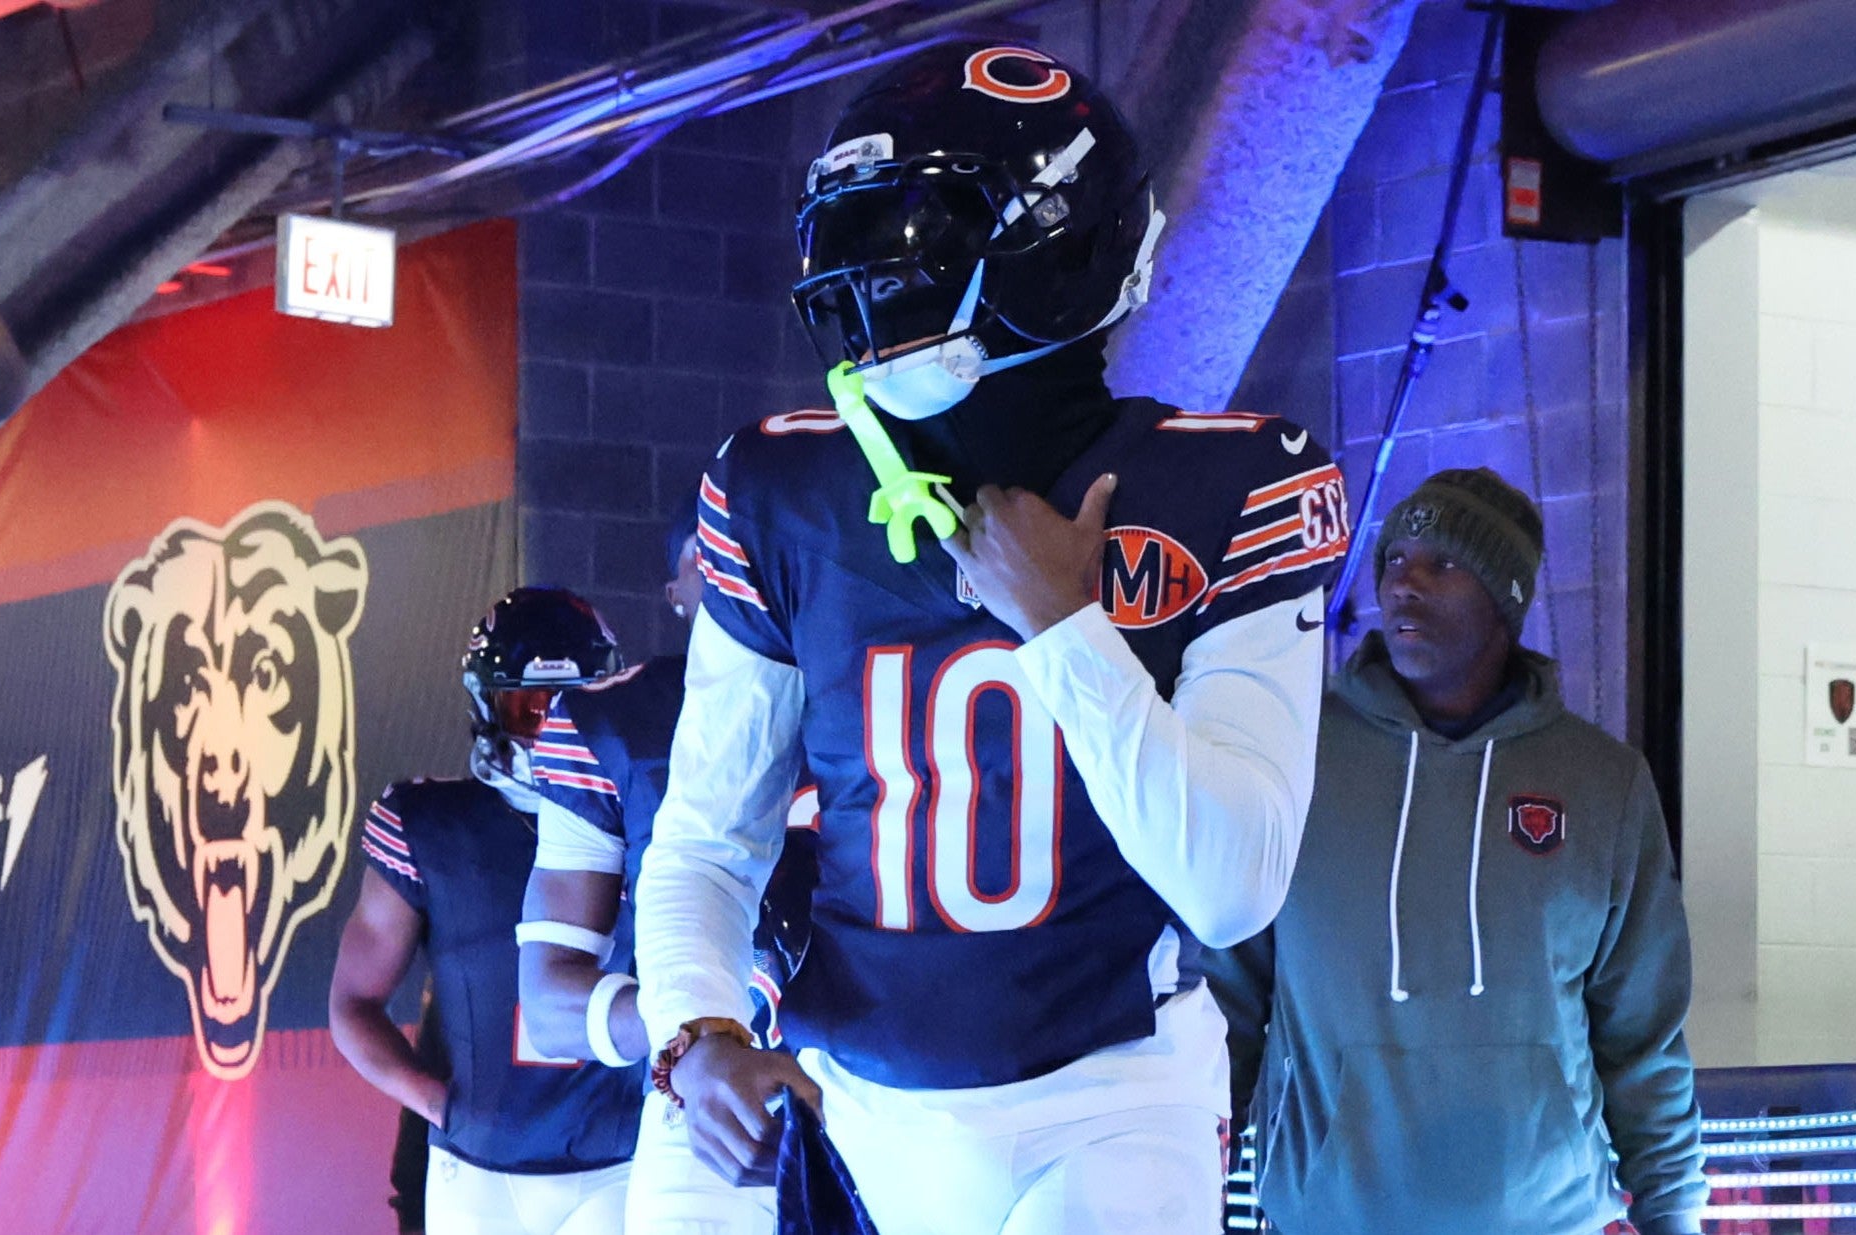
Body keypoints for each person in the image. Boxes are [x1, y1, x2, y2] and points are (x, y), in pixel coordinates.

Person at [630, 42, 1349, 1235]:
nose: (870, 286)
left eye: (913, 242)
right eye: (857, 243)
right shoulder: (782, 487)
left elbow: (1231, 886)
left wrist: (1065, 626)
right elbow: (708, 838)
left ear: (1058, 256)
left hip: (1112, 1096)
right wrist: (695, 1027)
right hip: (855, 1099)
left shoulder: (1231, 482)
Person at [1207, 468, 1708, 1235]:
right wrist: (1188, 1174)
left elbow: (1643, 1033)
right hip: (1329, 1216)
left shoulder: (1603, 783)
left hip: (1547, 1219)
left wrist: (1672, 1210)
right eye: (1395, 559)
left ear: (1505, 598)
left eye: (1442, 563)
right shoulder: (1297, 755)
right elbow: (1227, 997)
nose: (1404, 583)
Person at [518, 516, 817, 1235]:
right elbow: (549, 1004)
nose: (737, 568)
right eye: (705, 552)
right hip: (706, 1125)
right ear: (678, 587)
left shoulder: (892, 677)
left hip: (904, 1094)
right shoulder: (612, 719)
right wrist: (693, 1036)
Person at [329, 587, 642, 1235]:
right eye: (530, 707)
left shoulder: (652, 817)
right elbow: (352, 1002)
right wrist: (436, 1103)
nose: (552, 726)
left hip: (623, 1159)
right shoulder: (427, 822)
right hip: (478, 1168)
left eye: (570, 703)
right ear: (487, 703)